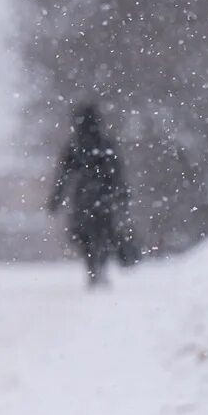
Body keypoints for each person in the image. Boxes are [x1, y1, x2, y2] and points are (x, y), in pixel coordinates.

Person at [48, 103, 137, 287]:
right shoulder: (105, 143)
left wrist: (56, 199)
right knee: (104, 234)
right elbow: (117, 172)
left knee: (85, 236)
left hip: (83, 197)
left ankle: (93, 269)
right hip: (103, 197)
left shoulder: (75, 145)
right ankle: (100, 267)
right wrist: (122, 194)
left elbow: (63, 176)